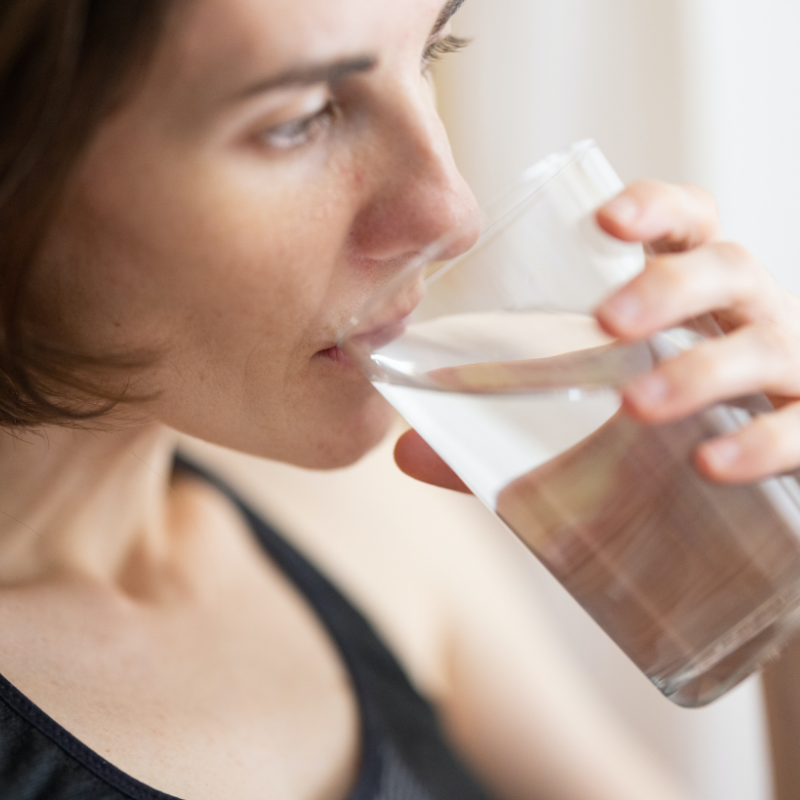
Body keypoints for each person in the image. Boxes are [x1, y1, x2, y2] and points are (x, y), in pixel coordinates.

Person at [2, 1, 800, 799]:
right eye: (299, 119)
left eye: (432, 49)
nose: (453, 212)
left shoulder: (355, 518)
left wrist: (779, 540)